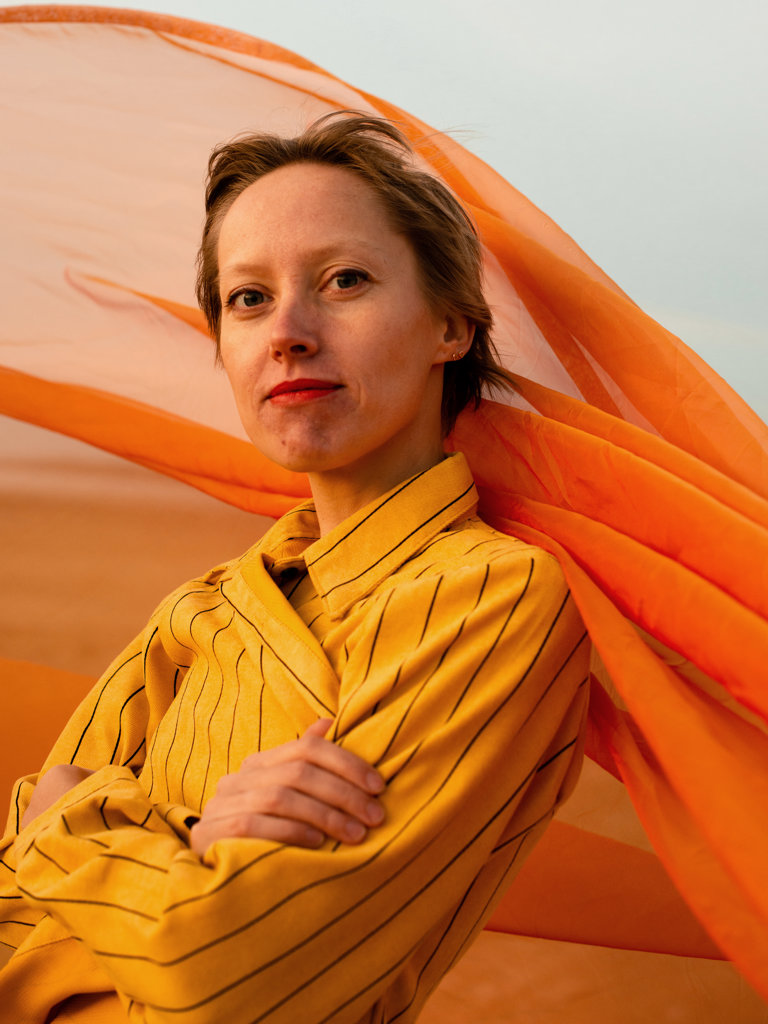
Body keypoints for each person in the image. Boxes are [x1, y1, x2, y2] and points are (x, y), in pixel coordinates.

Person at [0, 113, 589, 1023]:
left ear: (451, 325)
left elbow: (235, 972)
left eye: (344, 281)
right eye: (247, 299)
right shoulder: (200, 609)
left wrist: (73, 823)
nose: (289, 332)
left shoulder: (493, 598)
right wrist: (195, 843)